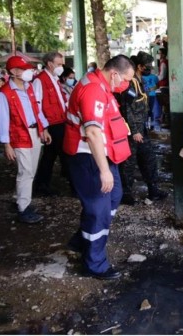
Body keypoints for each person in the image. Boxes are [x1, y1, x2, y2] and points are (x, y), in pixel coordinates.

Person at [64, 55, 135, 280]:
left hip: (102, 156)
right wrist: (104, 171)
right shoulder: (93, 90)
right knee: (99, 210)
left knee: (114, 195)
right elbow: (93, 133)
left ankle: (80, 241)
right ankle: (94, 264)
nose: (126, 85)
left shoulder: (103, 87)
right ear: (114, 74)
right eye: (125, 79)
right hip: (89, 158)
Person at [0, 56, 51, 224]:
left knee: (30, 171)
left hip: (35, 132)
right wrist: (6, 144)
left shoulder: (28, 87)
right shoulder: (4, 93)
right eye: (24, 68)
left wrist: (44, 128)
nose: (29, 71)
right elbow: (3, 119)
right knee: (26, 171)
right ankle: (23, 208)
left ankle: (21, 199)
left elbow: (37, 109)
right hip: (19, 135)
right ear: (14, 72)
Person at [115, 53, 168, 206]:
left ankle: (154, 190)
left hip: (141, 128)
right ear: (139, 66)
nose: (149, 69)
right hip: (132, 131)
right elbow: (127, 108)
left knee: (149, 159)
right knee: (128, 163)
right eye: (147, 67)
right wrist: (135, 130)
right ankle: (125, 194)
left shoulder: (140, 81)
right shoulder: (129, 84)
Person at [32, 52, 68, 196]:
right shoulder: (40, 81)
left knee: (50, 156)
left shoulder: (55, 79)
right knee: (60, 155)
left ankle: (42, 185)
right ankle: (43, 185)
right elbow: (37, 106)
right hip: (52, 124)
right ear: (50, 63)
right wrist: (43, 127)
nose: (61, 67)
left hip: (60, 120)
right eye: (59, 64)